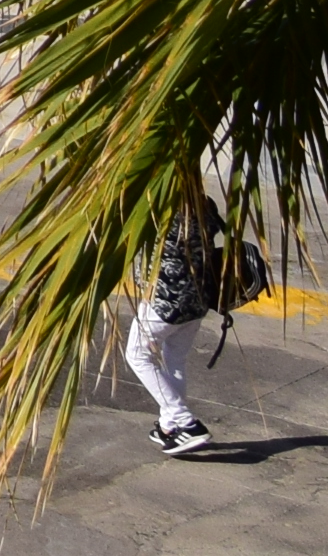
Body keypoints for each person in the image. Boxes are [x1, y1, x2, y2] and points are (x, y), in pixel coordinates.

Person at [122, 181, 223, 456]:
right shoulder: (205, 204)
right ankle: (169, 427)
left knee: (137, 355)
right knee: (174, 359)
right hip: (198, 298)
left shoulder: (161, 210)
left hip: (166, 299)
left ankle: (186, 422)